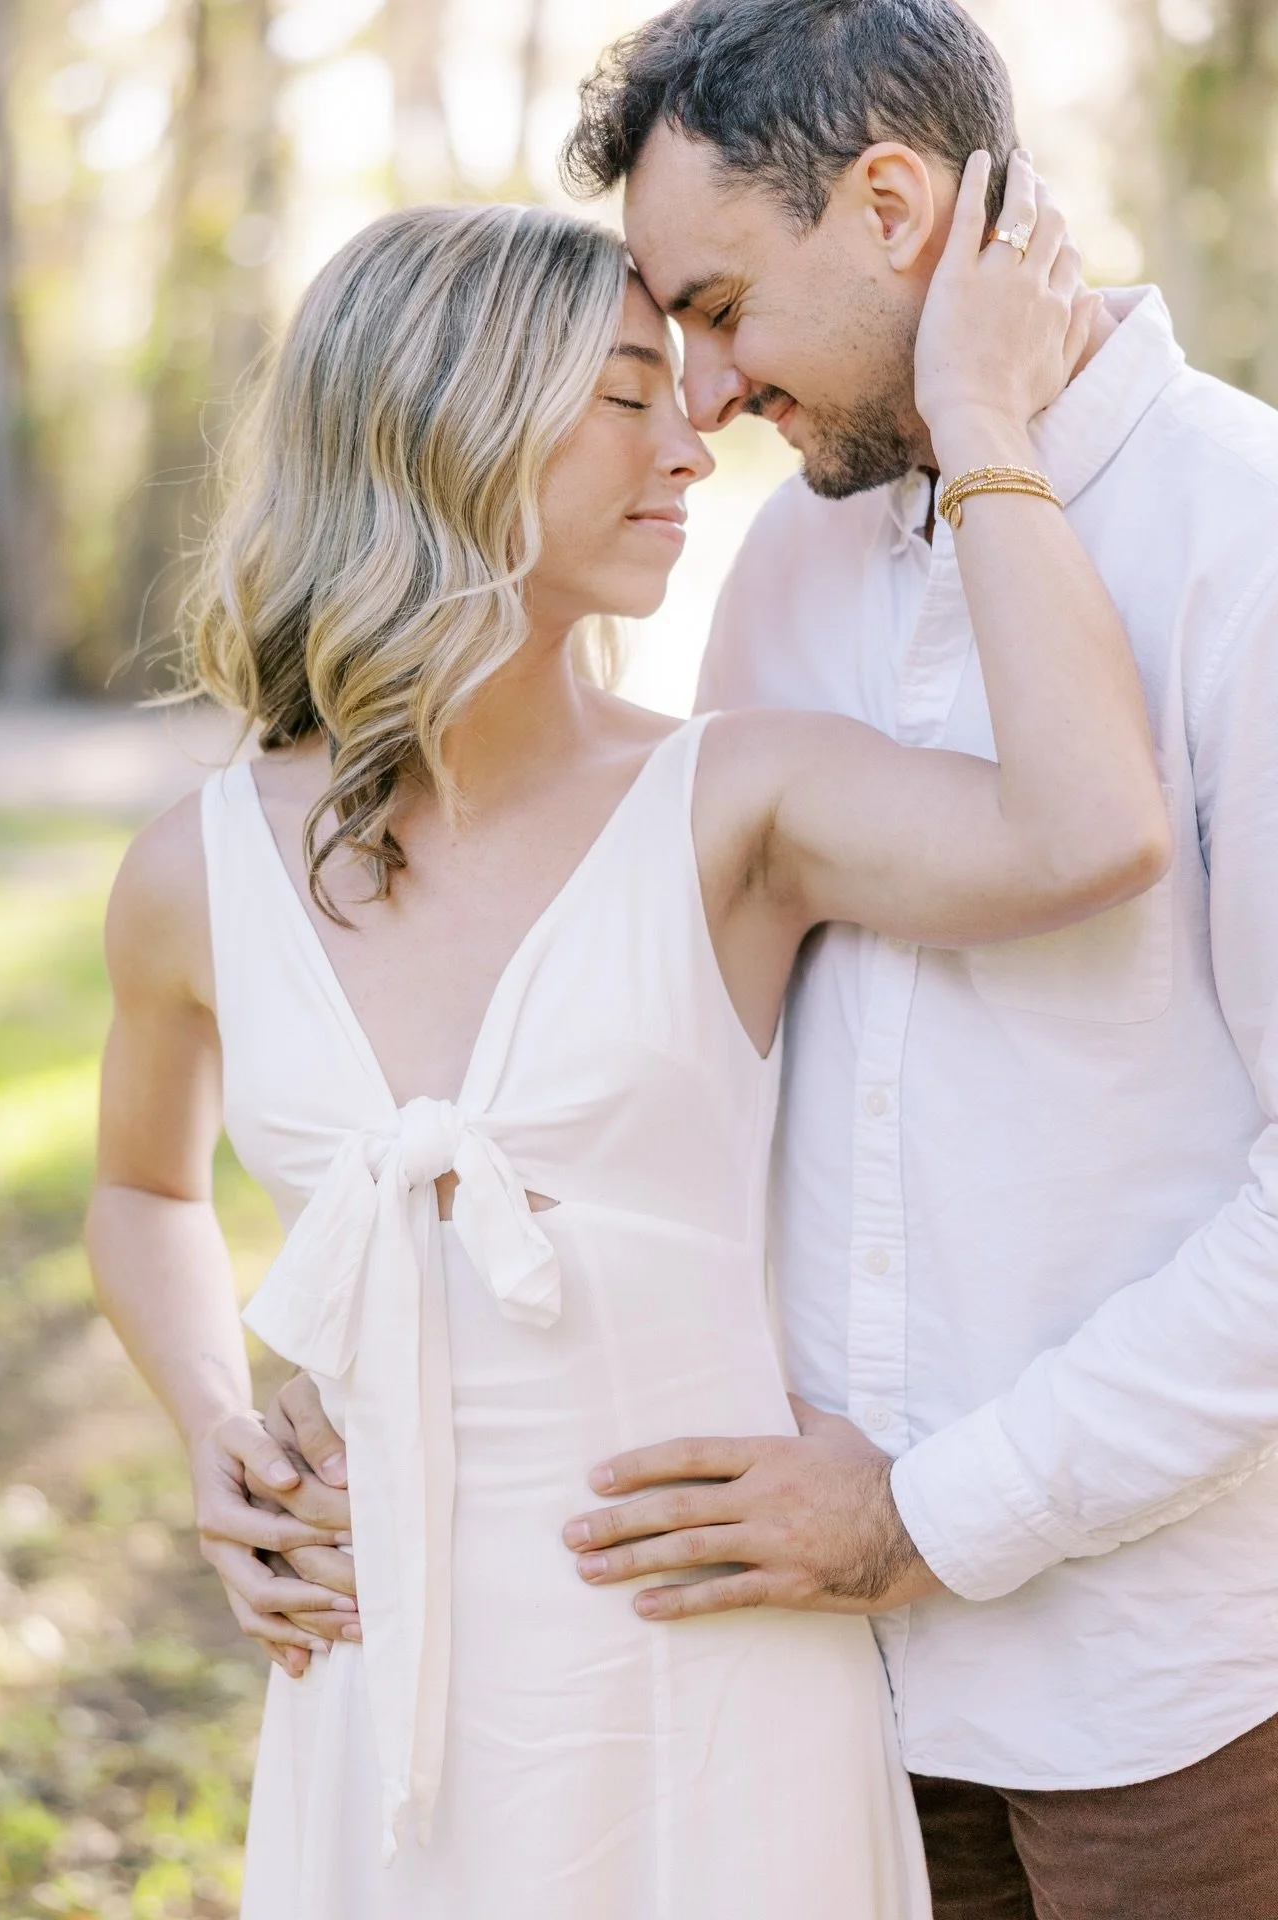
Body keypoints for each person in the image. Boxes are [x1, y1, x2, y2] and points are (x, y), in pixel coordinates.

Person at [86, 165, 1169, 1917]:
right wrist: (215, 1423)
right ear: (443, 429)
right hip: (376, 1681)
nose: (691, 448)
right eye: (623, 399)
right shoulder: (188, 875)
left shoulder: (734, 796)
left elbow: (1090, 830)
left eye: (682, 397)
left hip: (710, 1685)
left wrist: (983, 423)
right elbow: (142, 1189)